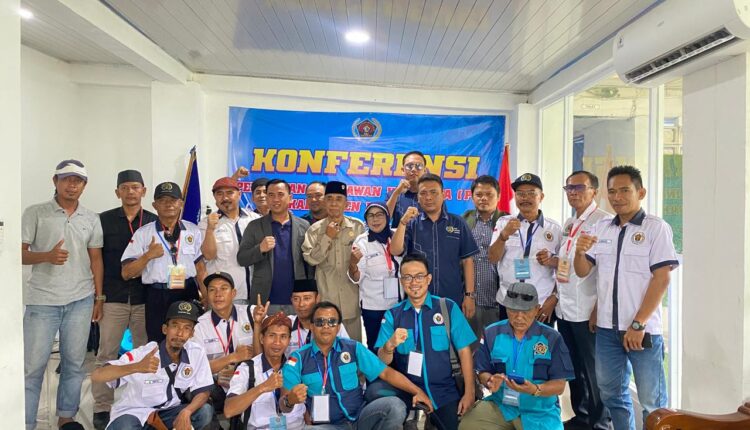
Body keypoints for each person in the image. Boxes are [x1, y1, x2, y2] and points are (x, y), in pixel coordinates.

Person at [574, 165, 679, 430]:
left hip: (642, 332)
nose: (617, 197)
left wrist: (638, 323)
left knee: (652, 403)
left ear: (640, 192)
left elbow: (662, 278)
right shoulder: (602, 228)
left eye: (624, 190)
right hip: (607, 330)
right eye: (612, 192)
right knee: (611, 394)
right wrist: (579, 252)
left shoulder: (656, 228)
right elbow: (584, 271)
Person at [21, 159, 104, 430]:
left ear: (84, 185)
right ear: (55, 181)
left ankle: (67, 418)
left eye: (78, 180)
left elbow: (96, 260)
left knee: (74, 364)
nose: (72, 185)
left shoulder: (91, 218)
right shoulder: (35, 213)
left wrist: (99, 298)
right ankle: (26, 422)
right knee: (32, 368)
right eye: (66, 179)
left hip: (80, 300)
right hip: (42, 301)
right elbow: (18, 254)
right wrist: (46, 256)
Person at [280, 301, 433, 429]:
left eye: (332, 322)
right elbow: (283, 405)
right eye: (320, 322)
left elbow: (386, 373)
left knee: (395, 405)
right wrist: (289, 400)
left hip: (360, 418)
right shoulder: (298, 358)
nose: (326, 326)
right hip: (328, 426)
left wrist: (417, 391)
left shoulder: (353, 348)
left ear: (338, 327)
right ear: (312, 326)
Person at [374, 253, 477, 430]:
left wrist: (469, 393)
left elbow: (464, 351)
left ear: (428, 279)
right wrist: (389, 345)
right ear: (401, 281)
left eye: (419, 276)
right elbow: (382, 361)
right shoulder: (393, 315)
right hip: (408, 393)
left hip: (445, 392)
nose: (413, 282)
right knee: (377, 395)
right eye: (407, 277)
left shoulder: (447, 307)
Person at [92, 169, 158, 430]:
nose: (131, 192)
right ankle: (102, 406)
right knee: (106, 353)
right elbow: (95, 260)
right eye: (125, 187)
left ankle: (142, 403)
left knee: (145, 352)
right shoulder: (103, 220)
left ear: (144, 191)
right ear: (117, 192)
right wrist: (98, 296)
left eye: (135, 187)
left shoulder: (154, 221)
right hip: (113, 296)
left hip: (145, 298)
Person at [459, 282, 574, 430]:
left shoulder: (552, 338)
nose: (519, 317)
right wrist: (490, 380)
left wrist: (535, 389)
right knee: (467, 426)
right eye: (513, 310)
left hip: (539, 412)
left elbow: (559, 385)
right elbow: (482, 371)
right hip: (501, 407)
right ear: (506, 308)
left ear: (536, 309)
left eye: (525, 311)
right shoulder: (491, 333)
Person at [91, 301, 214, 430]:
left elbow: (203, 391)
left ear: (192, 333)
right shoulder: (144, 354)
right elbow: (97, 375)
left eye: (186, 328)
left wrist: (187, 411)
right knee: (126, 427)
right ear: (165, 329)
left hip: (167, 413)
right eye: (175, 326)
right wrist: (137, 367)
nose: (180, 333)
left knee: (204, 412)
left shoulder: (196, 352)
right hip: (134, 413)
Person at [557, 171, 613, 430]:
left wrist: (598, 309)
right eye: (569, 188)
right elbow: (566, 263)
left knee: (594, 371)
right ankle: (581, 417)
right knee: (574, 367)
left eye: (579, 187)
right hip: (565, 308)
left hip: (587, 309)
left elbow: (607, 272)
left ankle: (600, 422)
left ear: (594, 191)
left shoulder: (604, 222)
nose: (573, 192)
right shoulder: (570, 222)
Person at [121, 182, 207, 342]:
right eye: (162, 200)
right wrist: (148, 256)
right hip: (157, 295)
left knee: (190, 339)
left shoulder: (193, 230)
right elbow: (126, 273)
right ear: (155, 205)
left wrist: (207, 297)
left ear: (181, 203)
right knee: (158, 340)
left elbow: (200, 268)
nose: (168, 204)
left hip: (187, 291)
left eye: (173, 200)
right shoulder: (143, 233)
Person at [391, 173, 479, 319]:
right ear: (418, 198)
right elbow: (395, 250)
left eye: (433, 192)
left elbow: (467, 261)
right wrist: (402, 222)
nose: (428, 197)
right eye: (423, 193)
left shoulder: (458, 223)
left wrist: (469, 295)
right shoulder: (412, 224)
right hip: (419, 298)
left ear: (443, 195)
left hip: (452, 298)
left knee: (451, 333)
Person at [190, 272, 267, 418]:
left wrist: (257, 324)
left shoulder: (251, 313)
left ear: (233, 293)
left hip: (249, 380)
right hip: (217, 385)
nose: (218, 294)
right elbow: (195, 368)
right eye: (212, 290)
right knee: (198, 388)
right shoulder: (199, 325)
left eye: (223, 288)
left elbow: (266, 356)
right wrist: (232, 358)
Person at [489, 173, 562, 326]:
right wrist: (503, 236)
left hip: (540, 305)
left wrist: (555, 297)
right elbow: (492, 258)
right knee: (507, 342)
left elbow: (564, 267)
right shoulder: (503, 223)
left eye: (531, 193)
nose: (525, 198)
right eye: (520, 194)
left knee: (540, 342)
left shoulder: (554, 229)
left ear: (541, 197)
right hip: (509, 301)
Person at [302, 181, 366, 341]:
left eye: (339, 199)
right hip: (326, 300)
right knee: (325, 348)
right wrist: (327, 237)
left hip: (351, 302)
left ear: (347, 204)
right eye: (329, 198)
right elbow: (311, 259)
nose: (334, 203)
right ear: (324, 202)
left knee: (351, 350)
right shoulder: (314, 230)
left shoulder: (357, 228)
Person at [237, 179, 311, 314]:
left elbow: (310, 265)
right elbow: (242, 258)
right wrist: (260, 249)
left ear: (290, 198)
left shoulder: (304, 225)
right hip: (265, 300)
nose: (275, 199)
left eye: (280, 194)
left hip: (297, 301)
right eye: (271, 195)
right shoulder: (255, 226)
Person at [225, 312, 306, 430]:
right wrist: (262, 387)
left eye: (283, 336)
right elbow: (229, 410)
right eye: (272, 335)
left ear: (289, 340)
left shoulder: (298, 365)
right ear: (262, 338)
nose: (277, 342)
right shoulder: (248, 369)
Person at [348, 202, 402, 352]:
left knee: (399, 348)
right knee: (376, 348)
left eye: (379, 215)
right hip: (374, 307)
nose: (375, 219)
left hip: (398, 305)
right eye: (371, 216)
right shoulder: (362, 242)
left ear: (388, 217)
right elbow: (357, 278)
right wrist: (352, 264)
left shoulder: (397, 236)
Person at [200, 176, 260, 305]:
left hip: (256, 295)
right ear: (214, 197)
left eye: (229, 193)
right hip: (223, 298)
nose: (225, 198)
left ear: (239, 194)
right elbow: (208, 256)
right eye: (219, 194)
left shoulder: (255, 219)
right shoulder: (205, 223)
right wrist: (210, 229)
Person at [462, 175, 509, 337]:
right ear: (472, 197)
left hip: (497, 300)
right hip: (469, 300)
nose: (484, 198)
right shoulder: (463, 221)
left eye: (489, 194)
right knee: (469, 346)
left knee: (497, 346)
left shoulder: (507, 222)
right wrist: (468, 295)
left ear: (498, 196)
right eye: (479, 194)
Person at [278, 279, 349, 357]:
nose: (301, 304)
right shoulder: (286, 324)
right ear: (291, 300)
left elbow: (347, 353)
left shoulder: (332, 325)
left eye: (307, 298)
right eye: (296, 299)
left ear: (317, 299)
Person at [386, 151, 427, 227]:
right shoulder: (393, 194)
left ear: (425, 170)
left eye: (419, 166)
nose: (414, 169)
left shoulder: (433, 195)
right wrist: (396, 193)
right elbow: (384, 219)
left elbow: (442, 222)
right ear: (403, 170)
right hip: (400, 234)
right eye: (409, 166)